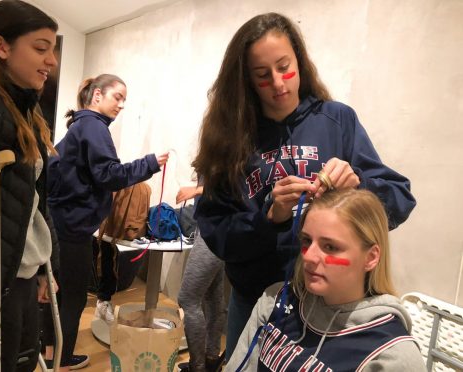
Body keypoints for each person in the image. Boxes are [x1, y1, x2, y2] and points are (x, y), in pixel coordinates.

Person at [192, 12, 417, 360]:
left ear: (299, 60)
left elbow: (399, 198)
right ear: (246, 81)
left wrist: (358, 189)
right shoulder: (230, 138)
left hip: (331, 311)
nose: (279, 83)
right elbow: (217, 233)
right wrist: (270, 218)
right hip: (254, 301)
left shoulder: (337, 119)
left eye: (285, 67)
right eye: (263, 75)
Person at [226, 188, 426, 371]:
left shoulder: (392, 356)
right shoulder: (276, 300)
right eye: (306, 241)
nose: (309, 256)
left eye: (330, 247)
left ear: (371, 257)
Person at [46, 74, 169, 371]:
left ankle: (50, 351)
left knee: (59, 291)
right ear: (97, 95)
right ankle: (61, 359)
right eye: (118, 97)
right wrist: (150, 163)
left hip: (62, 222)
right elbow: (110, 175)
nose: (122, 105)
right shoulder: (93, 126)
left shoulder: (80, 125)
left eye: (124, 99)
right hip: (71, 227)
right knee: (73, 296)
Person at [0, 0, 60, 370]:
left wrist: (50, 264)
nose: (52, 61)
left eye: (54, 50)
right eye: (40, 48)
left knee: (22, 363)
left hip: (24, 270)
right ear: (1, 47)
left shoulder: (30, 112)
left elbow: (35, 201)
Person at [176, 185, 226, 372]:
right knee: (213, 298)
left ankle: (198, 367)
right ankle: (211, 360)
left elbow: (235, 185)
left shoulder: (228, 155)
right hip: (209, 225)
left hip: (214, 229)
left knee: (187, 299)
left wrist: (200, 190)